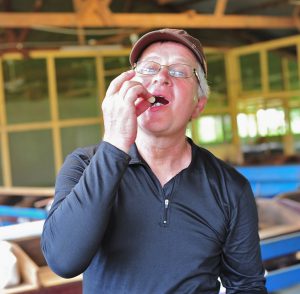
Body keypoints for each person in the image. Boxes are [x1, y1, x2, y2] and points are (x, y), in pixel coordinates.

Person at [41, 28, 267, 294]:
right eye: (149, 68)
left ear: (199, 104)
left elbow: (247, 286)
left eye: (180, 71)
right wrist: (114, 142)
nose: (161, 77)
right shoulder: (84, 165)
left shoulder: (229, 187)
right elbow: (63, 261)